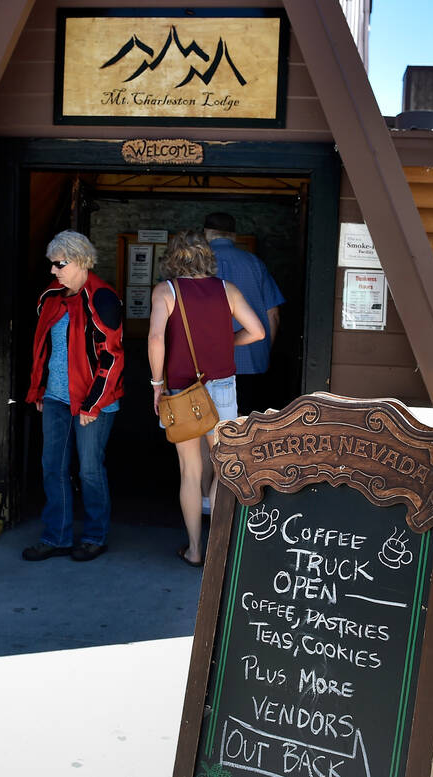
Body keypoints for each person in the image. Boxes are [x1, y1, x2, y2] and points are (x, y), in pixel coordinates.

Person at [148, 230, 265, 566]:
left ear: (172, 258)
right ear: (207, 257)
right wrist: (229, 344)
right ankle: (217, 550)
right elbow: (257, 331)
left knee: (189, 471)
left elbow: (156, 338)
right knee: (222, 469)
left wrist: (157, 384)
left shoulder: (166, 291)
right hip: (224, 387)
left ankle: (194, 550)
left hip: (183, 388)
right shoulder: (227, 290)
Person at [23, 231, 125, 562]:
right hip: (55, 397)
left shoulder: (103, 298)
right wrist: (38, 389)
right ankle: (57, 537)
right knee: (52, 466)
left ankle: (95, 536)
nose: (53, 271)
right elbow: (43, 349)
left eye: (59, 264)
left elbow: (111, 357)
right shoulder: (50, 297)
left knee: (89, 470)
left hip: (93, 401)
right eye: (52, 265)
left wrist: (93, 404)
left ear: (80, 261)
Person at [204, 211, 285, 416]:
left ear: (206, 233)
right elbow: (273, 313)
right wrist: (264, 349)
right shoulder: (254, 263)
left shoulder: (198, 265)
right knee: (247, 425)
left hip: (206, 361)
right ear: (234, 235)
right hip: (251, 359)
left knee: (205, 424)